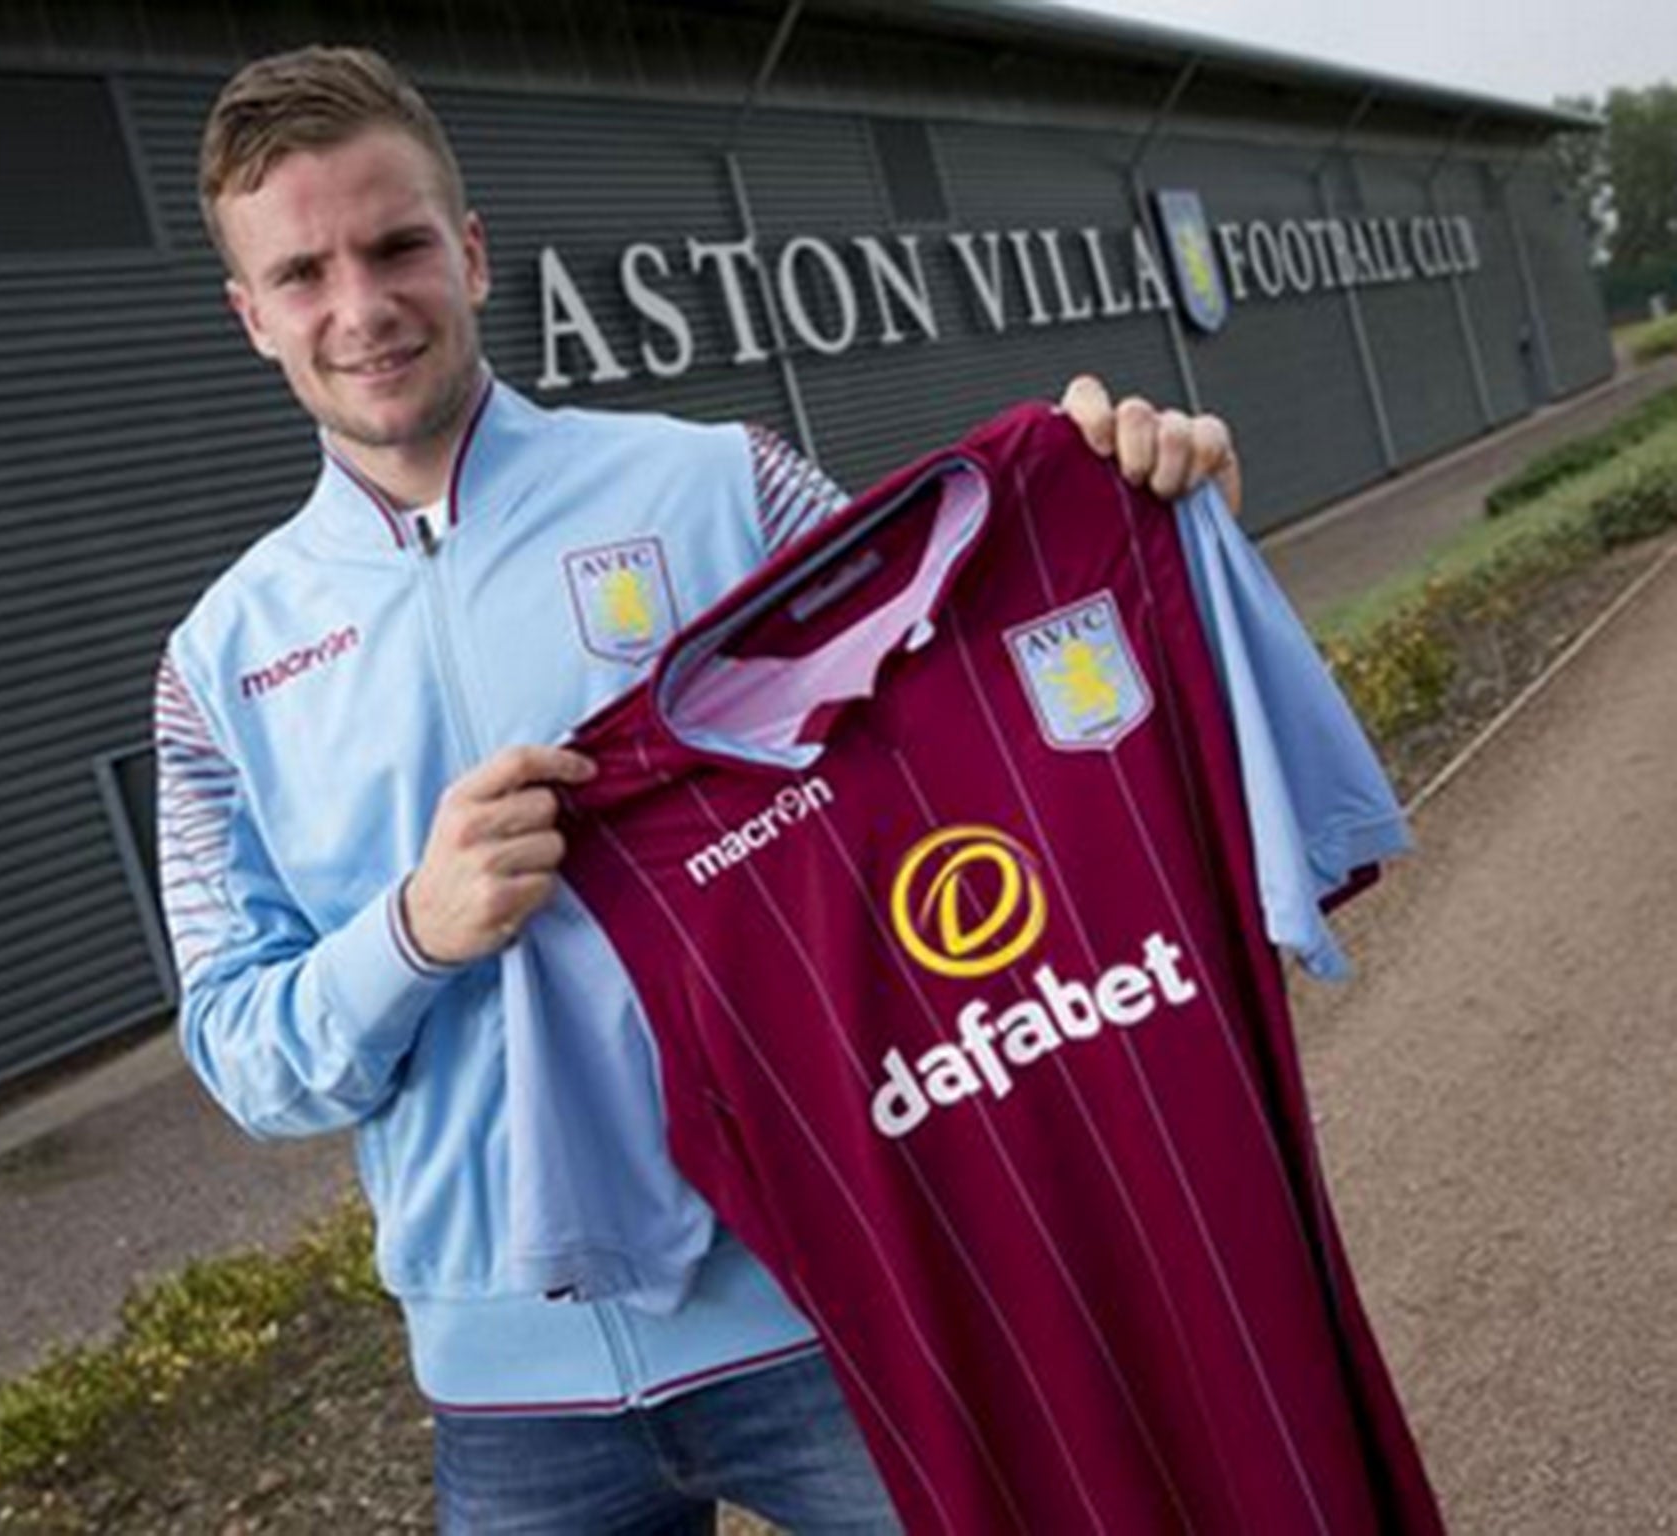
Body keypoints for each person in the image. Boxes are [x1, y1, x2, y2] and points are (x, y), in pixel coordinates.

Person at [157, 42, 1244, 1534]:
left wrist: (1152, 538)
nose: (363, 307)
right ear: (249, 315)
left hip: (833, 1300)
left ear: (470, 250)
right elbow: (239, 1047)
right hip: (508, 1398)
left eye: (399, 244)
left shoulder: (721, 488)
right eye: (303, 273)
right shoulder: (218, 664)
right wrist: (410, 930)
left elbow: (975, 722)